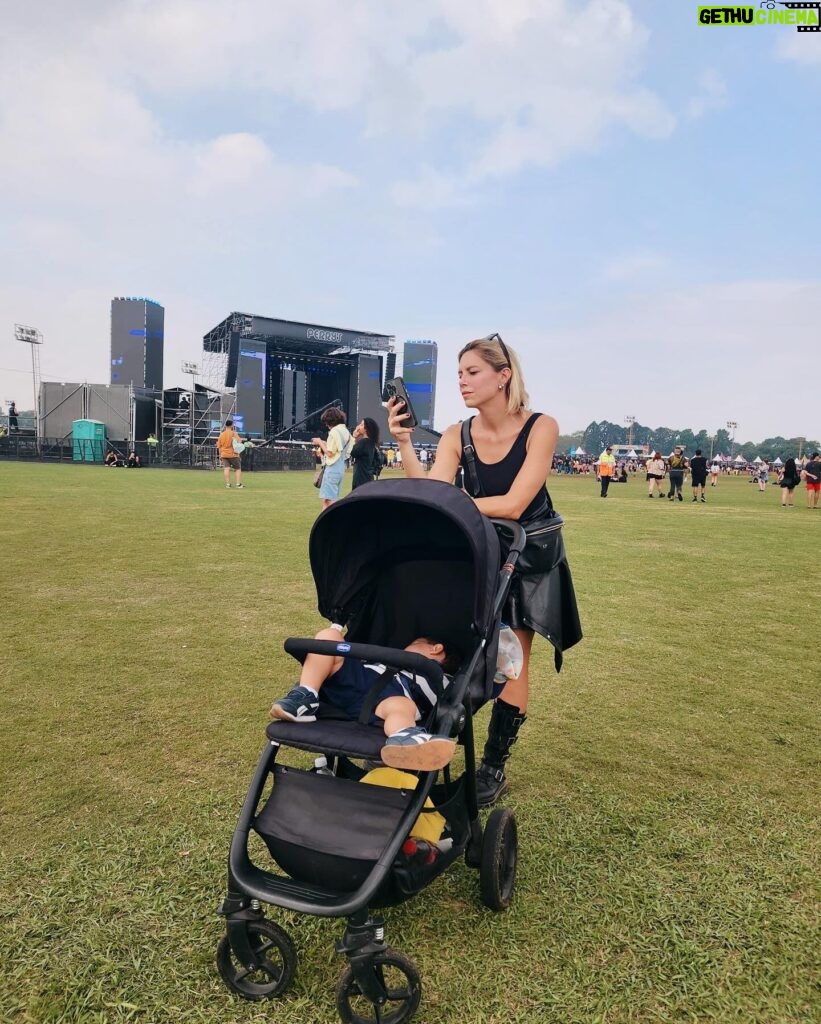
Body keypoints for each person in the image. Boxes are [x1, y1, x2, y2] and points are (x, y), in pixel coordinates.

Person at [387, 334, 582, 806]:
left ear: (503, 375)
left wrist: (460, 504)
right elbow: (436, 491)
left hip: (530, 556)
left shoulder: (542, 427)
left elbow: (516, 504)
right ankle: (424, 732)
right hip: (481, 551)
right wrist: (405, 443)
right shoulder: (457, 434)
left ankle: (493, 765)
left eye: (472, 372)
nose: (463, 382)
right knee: (462, 643)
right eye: (459, 374)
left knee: (513, 656)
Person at [270, 625, 459, 771]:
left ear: (436, 648)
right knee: (330, 636)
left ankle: (404, 736)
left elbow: (454, 696)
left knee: (402, 707)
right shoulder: (384, 660)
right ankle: (306, 694)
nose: (403, 648)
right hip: (359, 677)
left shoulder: (441, 679)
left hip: (390, 699)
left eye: (413, 643)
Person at [312, 407, 353, 509]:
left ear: (331, 421)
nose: (326, 425)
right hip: (340, 468)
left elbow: (330, 453)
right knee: (329, 499)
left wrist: (319, 442)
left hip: (332, 468)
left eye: (327, 422)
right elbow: (342, 450)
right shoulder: (346, 432)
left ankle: (338, 520)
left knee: (330, 500)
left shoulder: (334, 432)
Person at [350, 417, 381, 490]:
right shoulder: (372, 443)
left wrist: (354, 437)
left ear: (366, 429)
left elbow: (352, 452)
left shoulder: (363, 442)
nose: (358, 427)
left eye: (361, 425)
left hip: (361, 478)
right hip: (368, 478)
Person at [216, 418, 244, 489]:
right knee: (237, 469)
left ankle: (228, 484)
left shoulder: (221, 434)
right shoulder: (234, 433)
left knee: (226, 469)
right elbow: (239, 442)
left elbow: (219, 446)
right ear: (232, 425)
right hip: (233, 454)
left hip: (224, 454)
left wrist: (220, 456)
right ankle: (238, 484)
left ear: (225, 425)